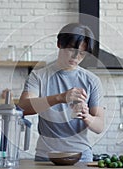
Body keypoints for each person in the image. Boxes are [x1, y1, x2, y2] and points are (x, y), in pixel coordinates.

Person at [18, 23, 104, 162]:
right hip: (46, 157)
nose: (76, 57)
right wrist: (60, 97)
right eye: (71, 50)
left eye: (82, 53)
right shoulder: (38, 76)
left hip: (81, 158)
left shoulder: (92, 81)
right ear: (59, 44)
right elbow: (23, 108)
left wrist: (86, 116)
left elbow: (99, 126)